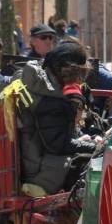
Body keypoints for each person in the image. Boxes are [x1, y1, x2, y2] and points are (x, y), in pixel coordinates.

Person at [19, 42, 99, 194]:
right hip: (43, 173)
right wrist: (96, 147)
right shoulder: (50, 101)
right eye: (80, 74)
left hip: (43, 160)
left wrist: (84, 140)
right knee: (97, 166)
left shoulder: (47, 90)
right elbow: (58, 145)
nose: (81, 80)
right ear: (69, 71)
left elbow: (58, 134)